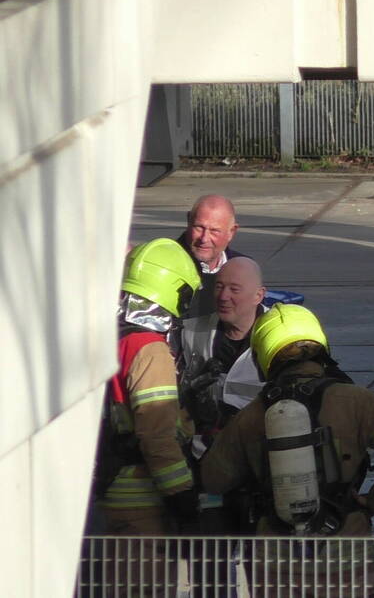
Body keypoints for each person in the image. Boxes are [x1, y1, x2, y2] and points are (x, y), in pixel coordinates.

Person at [201, 304, 374, 592]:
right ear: (321, 346)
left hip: (277, 562)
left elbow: (214, 479)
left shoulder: (252, 415)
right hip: (348, 551)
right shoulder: (356, 401)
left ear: (261, 357)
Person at [92, 238, 201, 535]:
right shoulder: (149, 349)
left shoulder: (111, 337)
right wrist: (182, 497)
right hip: (141, 503)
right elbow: (156, 435)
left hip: (106, 492)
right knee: (144, 583)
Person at [177, 256, 267, 531]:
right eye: (219, 287)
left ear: (258, 295)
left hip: (260, 471)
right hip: (207, 468)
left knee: (263, 565)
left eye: (234, 289)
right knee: (208, 561)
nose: (224, 296)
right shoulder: (192, 333)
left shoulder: (279, 335)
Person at [177, 194, 246, 317]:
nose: (204, 239)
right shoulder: (164, 265)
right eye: (199, 228)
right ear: (188, 221)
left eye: (214, 231)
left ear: (232, 232)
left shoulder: (244, 270)